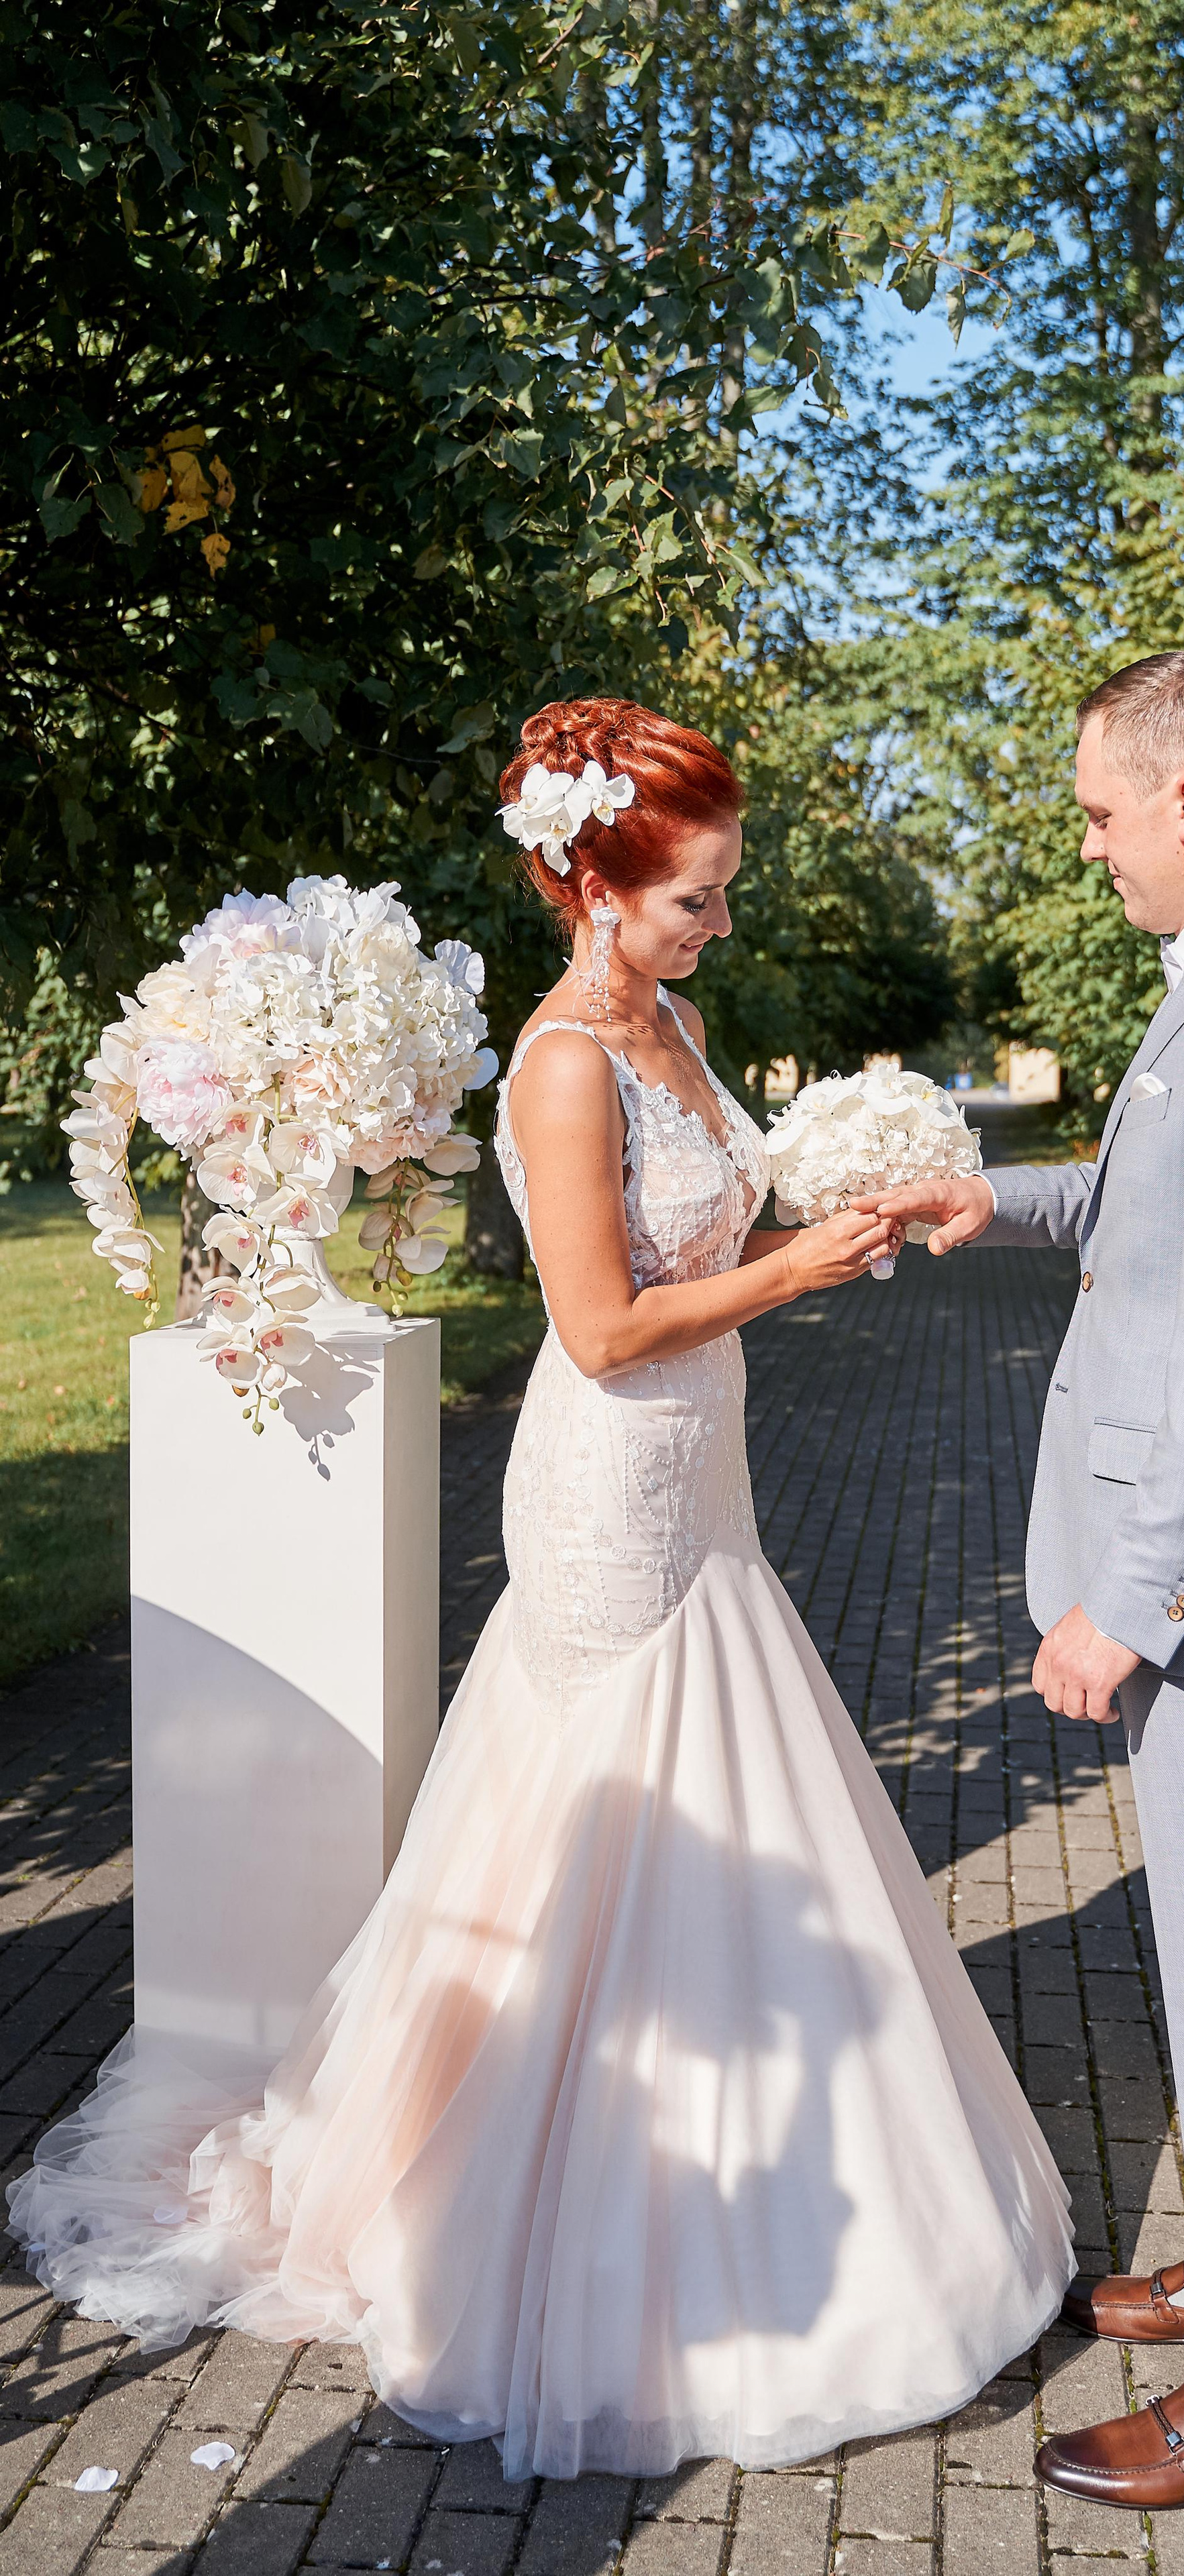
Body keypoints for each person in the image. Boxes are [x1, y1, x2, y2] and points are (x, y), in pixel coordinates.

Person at [8, 699, 1073, 2481]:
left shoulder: (678, 1026)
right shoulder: (564, 1062)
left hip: (703, 1470)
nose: (716, 927)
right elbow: (597, 1326)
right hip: (606, 1483)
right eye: (693, 901)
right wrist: (803, 1271)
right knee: (597, 1815)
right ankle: (543, 2205)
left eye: (724, 897)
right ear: (595, 883)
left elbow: (714, 1225)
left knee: (726, 1791)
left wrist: (858, 1195)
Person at [863, 651, 1184, 2512]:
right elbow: (1154, 1218)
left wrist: (1132, 1597)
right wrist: (984, 1202)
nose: (1089, 847)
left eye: (1098, 811)